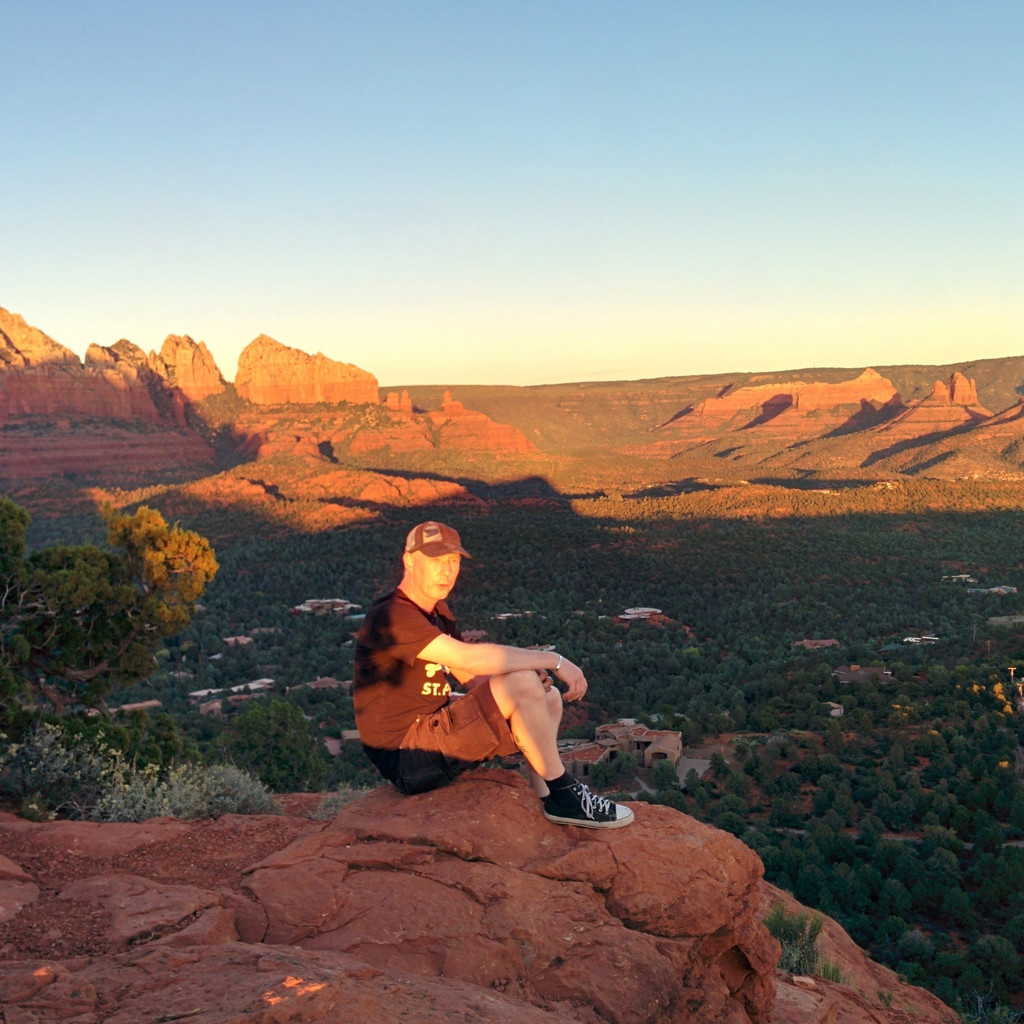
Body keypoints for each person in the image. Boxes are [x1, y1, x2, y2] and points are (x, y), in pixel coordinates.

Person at [353, 520, 634, 829]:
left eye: (453, 561)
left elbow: (470, 676)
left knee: (548, 696)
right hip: (409, 755)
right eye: (435, 560)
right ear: (409, 560)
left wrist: (525, 686)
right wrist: (554, 661)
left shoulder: (438, 614)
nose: (446, 571)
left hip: (431, 734)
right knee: (523, 681)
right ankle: (566, 795)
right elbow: (469, 657)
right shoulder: (391, 614)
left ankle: (546, 797)